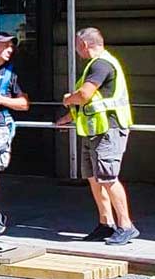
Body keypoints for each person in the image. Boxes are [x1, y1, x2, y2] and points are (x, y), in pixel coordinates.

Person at [57, 27, 139, 245]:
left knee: (108, 178)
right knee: (95, 178)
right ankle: (106, 223)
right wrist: (68, 117)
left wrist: (68, 98)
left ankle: (126, 226)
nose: (76, 50)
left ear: (84, 44)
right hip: (94, 130)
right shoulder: (96, 65)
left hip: (108, 130)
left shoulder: (101, 64)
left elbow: (84, 95)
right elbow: (92, 103)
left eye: (77, 45)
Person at [0, 34, 29, 236]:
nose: (10, 49)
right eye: (6, 45)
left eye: (12, 46)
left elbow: (24, 104)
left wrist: (2, 100)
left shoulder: (11, 74)